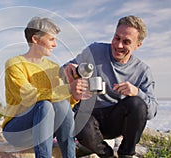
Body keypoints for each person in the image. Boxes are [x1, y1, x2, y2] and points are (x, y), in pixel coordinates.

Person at [62, 15, 158, 158]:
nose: (118, 45)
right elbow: (63, 72)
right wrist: (69, 73)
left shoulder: (142, 71)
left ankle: (126, 154)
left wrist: (136, 92)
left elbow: (151, 112)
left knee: (137, 103)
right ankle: (107, 155)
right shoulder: (95, 51)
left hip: (115, 120)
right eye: (116, 38)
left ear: (138, 45)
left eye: (126, 42)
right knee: (80, 119)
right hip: (89, 116)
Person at [2, 17, 78, 158]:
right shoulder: (14, 64)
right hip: (17, 130)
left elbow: (59, 104)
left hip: (45, 130)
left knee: (61, 104)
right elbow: (28, 96)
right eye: (51, 39)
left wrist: (74, 96)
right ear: (35, 39)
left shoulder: (53, 67)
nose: (55, 44)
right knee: (44, 106)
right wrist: (67, 89)